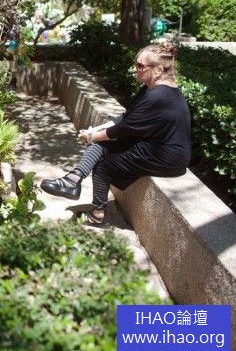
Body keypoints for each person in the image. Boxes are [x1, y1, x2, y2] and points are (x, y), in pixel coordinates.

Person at [40, 43, 191, 226]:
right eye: (135, 64)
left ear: (158, 70)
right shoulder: (152, 88)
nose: (135, 69)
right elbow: (125, 117)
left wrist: (91, 137)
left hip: (167, 158)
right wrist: (93, 131)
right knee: (103, 144)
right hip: (156, 146)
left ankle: (97, 214)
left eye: (140, 66)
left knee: (103, 163)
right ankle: (73, 180)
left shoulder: (157, 97)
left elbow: (123, 129)